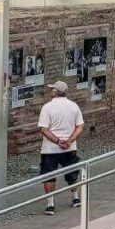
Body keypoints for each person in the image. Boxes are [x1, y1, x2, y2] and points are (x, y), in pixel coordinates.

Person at [38, 80, 84, 216]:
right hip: (70, 148)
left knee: (49, 175)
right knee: (72, 173)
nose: (50, 91)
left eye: (52, 89)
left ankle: (50, 205)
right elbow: (80, 126)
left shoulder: (47, 107)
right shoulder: (74, 106)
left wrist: (58, 141)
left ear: (55, 92)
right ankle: (75, 197)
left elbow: (44, 129)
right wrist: (69, 141)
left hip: (50, 149)